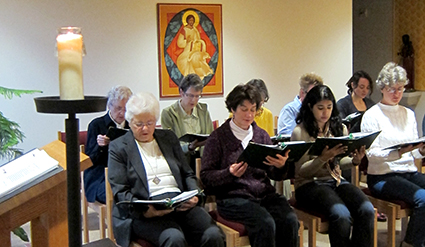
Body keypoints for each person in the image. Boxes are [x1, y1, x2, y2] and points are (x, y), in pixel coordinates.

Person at [108, 92, 225, 247]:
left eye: (150, 123)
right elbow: (121, 191)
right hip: (144, 211)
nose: (145, 129)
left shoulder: (168, 138)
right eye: (139, 124)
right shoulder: (118, 147)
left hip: (179, 202)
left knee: (213, 234)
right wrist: (144, 210)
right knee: (173, 238)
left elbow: (187, 174)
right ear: (129, 122)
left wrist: (194, 195)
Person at [201, 84, 299, 247]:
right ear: (233, 108)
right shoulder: (218, 138)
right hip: (233, 198)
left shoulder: (261, 135)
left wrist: (281, 166)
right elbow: (206, 177)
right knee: (265, 224)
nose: (249, 115)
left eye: (253, 109)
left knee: (289, 220)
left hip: (263, 195)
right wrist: (229, 173)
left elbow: (273, 174)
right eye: (244, 109)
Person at [292, 85, 375, 247]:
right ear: (310, 107)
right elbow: (301, 172)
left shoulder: (339, 128)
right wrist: (322, 158)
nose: (325, 113)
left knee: (367, 209)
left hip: (335, 179)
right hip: (309, 185)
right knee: (341, 214)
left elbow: (339, 162)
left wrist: (354, 161)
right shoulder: (300, 132)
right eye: (320, 108)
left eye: (329, 107)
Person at [361, 62, 425, 247]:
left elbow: (414, 153)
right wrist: (398, 152)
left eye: (400, 89)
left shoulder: (408, 114)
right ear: (382, 88)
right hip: (382, 175)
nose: (397, 94)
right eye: (392, 89)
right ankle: (411, 243)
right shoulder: (372, 115)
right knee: (423, 198)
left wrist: (420, 150)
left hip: (408, 171)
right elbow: (371, 155)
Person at [84, 85, 132, 204]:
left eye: (126, 109)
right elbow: (90, 160)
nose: (122, 113)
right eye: (118, 108)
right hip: (100, 177)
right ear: (109, 106)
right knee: (116, 191)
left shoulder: (132, 125)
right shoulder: (96, 125)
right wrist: (101, 147)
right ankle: (120, 220)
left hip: (126, 173)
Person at [161, 73, 214, 171]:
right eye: (190, 95)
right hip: (181, 161)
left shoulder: (203, 110)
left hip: (202, 160)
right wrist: (189, 148)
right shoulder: (169, 113)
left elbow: (211, 136)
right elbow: (169, 146)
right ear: (181, 92)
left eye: (197, 96)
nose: (194, 100)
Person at [177, 13, 213, 79]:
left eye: (192, 20)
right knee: (189, 60)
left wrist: (199, 42)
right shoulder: (184, 30)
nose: (191, 22)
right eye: (190, 20)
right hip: (188, 50)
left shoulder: (195, 30)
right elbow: (179, 43)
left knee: (200, 59)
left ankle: (202, 74)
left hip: (196, 49)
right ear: (187, 21)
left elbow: (198, 39)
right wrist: (187, 41)